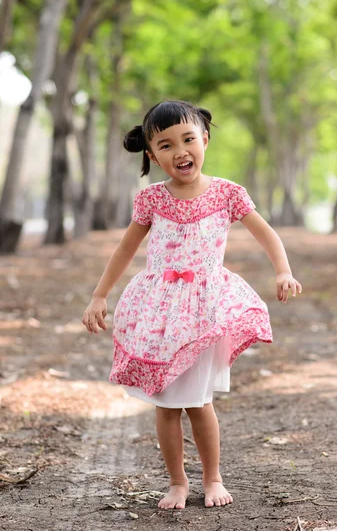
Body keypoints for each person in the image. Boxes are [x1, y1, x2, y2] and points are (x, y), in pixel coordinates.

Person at [82, 99, 302, 510]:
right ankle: (177, 482)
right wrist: (99, 295)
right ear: (152, 155)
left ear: (204, 139)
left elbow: (267, 234)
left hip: (204, 311)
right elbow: (124, 250)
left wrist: (282, 270)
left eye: (188, 139)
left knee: (199, 403)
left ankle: (213, 478)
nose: (180, 150)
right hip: (160, 312)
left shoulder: (227, 194)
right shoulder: (151, 200)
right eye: (165, 145)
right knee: (166, 404)